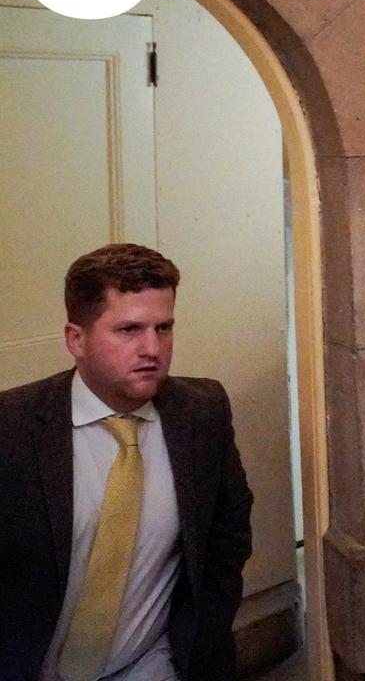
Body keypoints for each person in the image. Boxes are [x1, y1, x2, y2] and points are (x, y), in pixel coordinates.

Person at [0, 244, 254, 681]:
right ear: (75, 339)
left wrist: (199, 637)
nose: (152, 348)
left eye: (164, 327)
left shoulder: (202, 413)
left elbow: (226, 538)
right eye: (129, 329)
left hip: (152, 665)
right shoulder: (12, 429)